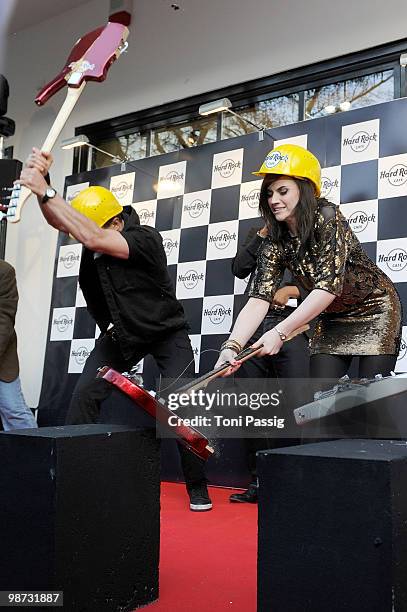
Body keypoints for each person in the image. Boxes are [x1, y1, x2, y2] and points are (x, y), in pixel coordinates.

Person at [19, 148, 212, 512]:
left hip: (167, 333)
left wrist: (45, 190)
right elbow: (65, 225)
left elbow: (91, 236)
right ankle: (75, 477)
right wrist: (41, 192)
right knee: (83, 397)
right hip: (123, 335)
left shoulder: (145, 239)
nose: (82, 235)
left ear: (118, 223)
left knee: (181, 406)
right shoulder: (91, 263)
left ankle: (197, 486)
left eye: (97, 225)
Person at [216, 143, 402, 382]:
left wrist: (280, 332)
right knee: (320, 400)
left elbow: (326, 288)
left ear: (304, 190)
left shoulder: (327, 217)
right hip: (333, 319)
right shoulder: (274, 237)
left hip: (375, 309)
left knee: (374, 400)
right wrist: (231, 347)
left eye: (283, 191)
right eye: (269, 193)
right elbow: (258, 299)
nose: (274, 200)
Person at [229, 225, 310, 503]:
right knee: (252, 405)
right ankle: (260, 482)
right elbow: (239, 268)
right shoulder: (259, 231)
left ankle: (300, 482)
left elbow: (326, 280)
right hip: (254, 324)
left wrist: (292, 289)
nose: (276, 202)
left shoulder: (312, 230)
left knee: (299, 405)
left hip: (294, 327)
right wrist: (262, 234)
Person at [0, 259, 37, 430]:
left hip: (2, 359)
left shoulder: (4, 271)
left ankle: (37, 455)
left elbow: (4, 322)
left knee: (14, 411)